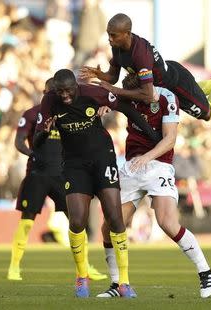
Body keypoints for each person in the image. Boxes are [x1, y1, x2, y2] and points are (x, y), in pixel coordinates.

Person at [34, 69, 160, 298]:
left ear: (76, 86)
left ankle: (124, 282)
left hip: (103, 157)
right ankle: (82, 276)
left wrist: (152, 135)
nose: (65, 96)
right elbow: (36, 140)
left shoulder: (93, 92)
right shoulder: (49, 100)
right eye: (60, 91)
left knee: (114, 217)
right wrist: (45, 131)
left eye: (68, 91)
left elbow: (126, 107)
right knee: (77, 220)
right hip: (74, 164)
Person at [96, 73, 211, 298]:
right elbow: (104, 96)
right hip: (132, 166)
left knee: (167, 223)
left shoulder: (167, 98)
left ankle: (206, 272)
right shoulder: (128, 98)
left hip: (158, 165)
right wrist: (104, 104)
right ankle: (116, 284)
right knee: (109, 227)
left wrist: (147, 157)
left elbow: (170, 139)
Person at [7, 78, 106, 281]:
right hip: (38, 174)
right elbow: (18, 141)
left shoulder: (68, 114)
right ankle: (14, 266)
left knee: (77, 222)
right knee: (27, 221)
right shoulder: (32, 114)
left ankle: (86, 268)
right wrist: (32, 154)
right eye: (49, 92)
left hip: (62, 174)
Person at [79, 13, 211, 121]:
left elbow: (148, 95)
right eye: (109, 34)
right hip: (169, 78)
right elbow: (114, 76)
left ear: (127, 33)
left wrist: (114, 90)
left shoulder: (139, 53)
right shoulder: (117, 47)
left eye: (114, 35)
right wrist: (99, 74)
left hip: (176, 83)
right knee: (199, 91)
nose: (109, 39)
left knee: (207, 113)